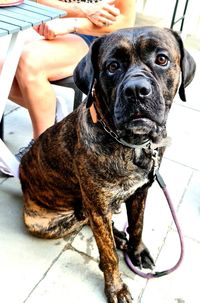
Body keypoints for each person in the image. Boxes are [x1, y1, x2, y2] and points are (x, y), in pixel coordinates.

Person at [0, 0, 136, 175]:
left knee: (29, 62)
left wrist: (73, 24)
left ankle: (44, 159)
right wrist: (80, 10)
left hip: (95, 36)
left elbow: (125, 21)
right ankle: (52, 112)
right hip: (50, 21)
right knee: (3, 64)